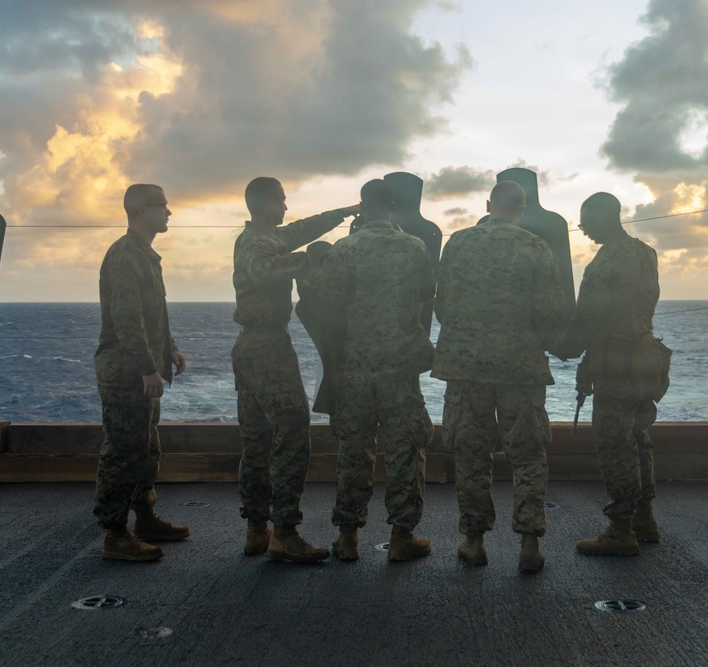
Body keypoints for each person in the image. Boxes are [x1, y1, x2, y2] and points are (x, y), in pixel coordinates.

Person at [432, 180, 570, 572]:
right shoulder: (534, 246)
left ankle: (474, 542)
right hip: (520, 368)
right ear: (521, 210)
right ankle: (529, 545)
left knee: (471, 454)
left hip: (466, 368)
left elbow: (442, 305)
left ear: (488, 204)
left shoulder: (458, 243)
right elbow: (551, 311)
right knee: (528, 455)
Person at [232, 177, 359, 563]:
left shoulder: (270, 237)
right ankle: (284, 532)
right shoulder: (256, 243)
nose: (286, 208)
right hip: (268, 348)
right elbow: (265, 269)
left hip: (251, 346)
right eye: (282, 201)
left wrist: (343, 213)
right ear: (266, 203)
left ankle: (257, 528)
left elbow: (303, 228)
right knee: (292, 430)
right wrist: (308, 262)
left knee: (257, 438)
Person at [307, 179, 435, 562]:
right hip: (400, 368)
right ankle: (401, 538)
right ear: (393, 206)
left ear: (362, 207)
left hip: (355, 368)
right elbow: (426, 297)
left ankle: (347, 537)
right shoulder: (415, 247)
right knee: (404, 450)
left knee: (354, 451)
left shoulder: (345, 249)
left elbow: (324, 304)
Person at [556, 192, 669, 557]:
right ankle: (644, 518)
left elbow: (590, 317)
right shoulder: (645, 253)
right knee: (638, 438)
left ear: (605, 217)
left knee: (614, 443)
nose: (583, 229)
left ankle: (621, 530)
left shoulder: (606, 261)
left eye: (586, 221)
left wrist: (564, 347)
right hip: (645, 362)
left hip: (616, 365)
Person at [93, 184, 189, 562]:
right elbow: (127, 320)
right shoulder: (125, 257)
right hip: (126, 373)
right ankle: (115, 534)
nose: (169, 212)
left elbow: (152, 315)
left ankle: (145, 519)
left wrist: (170, 348)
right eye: (162, 206)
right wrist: (149, 368)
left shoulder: (144, 255)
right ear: (141, 211)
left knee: (146, 449)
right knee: (123, 452)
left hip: (139, 370)